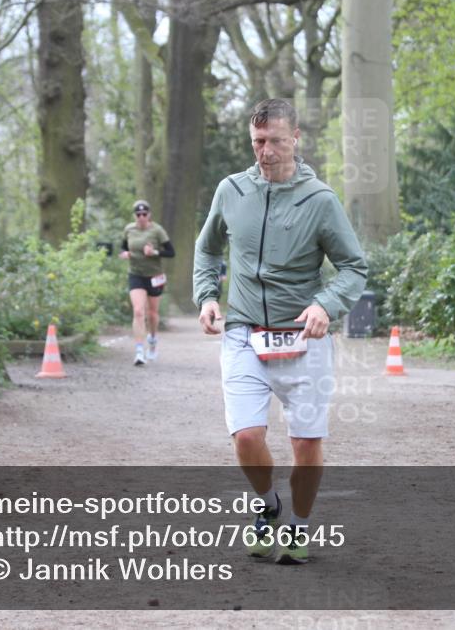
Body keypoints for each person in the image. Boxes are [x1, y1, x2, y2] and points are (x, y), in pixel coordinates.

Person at [193, 99, 367, 565]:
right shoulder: (232, 190)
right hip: (243, 331)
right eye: (256, 142)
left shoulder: (320, 200)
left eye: (272, 141)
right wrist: (208, 296)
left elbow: (353, 267)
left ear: (296, 139)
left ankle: (298, 526)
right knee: (246, 436)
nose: (263, 152)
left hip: (303, 337)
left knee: (306, 442)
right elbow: (207, 249)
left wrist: (326, 305)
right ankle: (266, 504)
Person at [120, 200, 175, 366]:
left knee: (152, 314)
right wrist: (124, 254)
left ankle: (152, 340)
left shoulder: (157, 230)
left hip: (154, 276)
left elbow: (171, 252)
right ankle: (139, 350)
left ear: (149, 215)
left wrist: (154, 252)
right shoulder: (129, 229)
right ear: (135, 216)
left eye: (144, 214)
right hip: (136, 274)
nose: (141, 217)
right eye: (138, 214)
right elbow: (123, 247)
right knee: (138, 311)